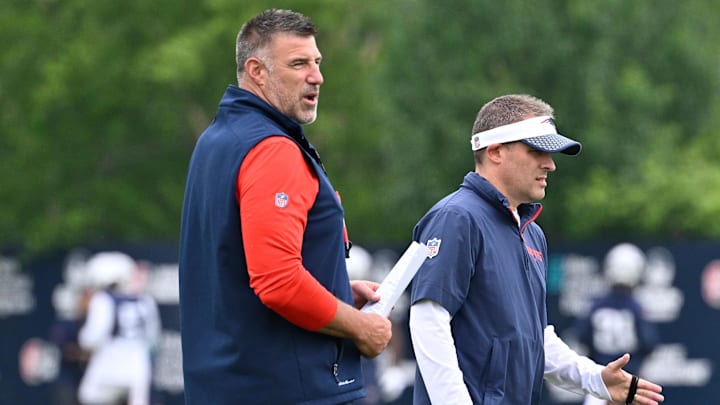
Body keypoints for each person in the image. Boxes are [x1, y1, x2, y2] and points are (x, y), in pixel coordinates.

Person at [178, 9, 392, 405]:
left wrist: (337, 290)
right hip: (288, 391)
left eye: (317, 62)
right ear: (257, 71)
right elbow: (277, 282)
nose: (317, 76)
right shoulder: (271, 148)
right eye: (299, 64)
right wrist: (360, 327)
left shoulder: (217, 138)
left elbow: (245, 267)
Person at [408, 94, 665, 404]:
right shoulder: (457, 217)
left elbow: (536, 338)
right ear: (495, 152)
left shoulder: (533, 234)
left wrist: (594, 379)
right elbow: (428, 320)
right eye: (537, 151)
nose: (551, 165)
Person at [577, 243, 660, 405]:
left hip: (599, 382)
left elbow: (582, 336)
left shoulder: (596, 305)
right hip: (630, 385)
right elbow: (649, 343)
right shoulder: (636, 307)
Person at [77, 251, 161, 405]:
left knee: (89, 395)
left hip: (110, 361)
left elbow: (92, 337)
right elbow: (153, 339)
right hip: (138, 364)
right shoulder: (145, 300)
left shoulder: (103, 300)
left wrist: (84, 339)